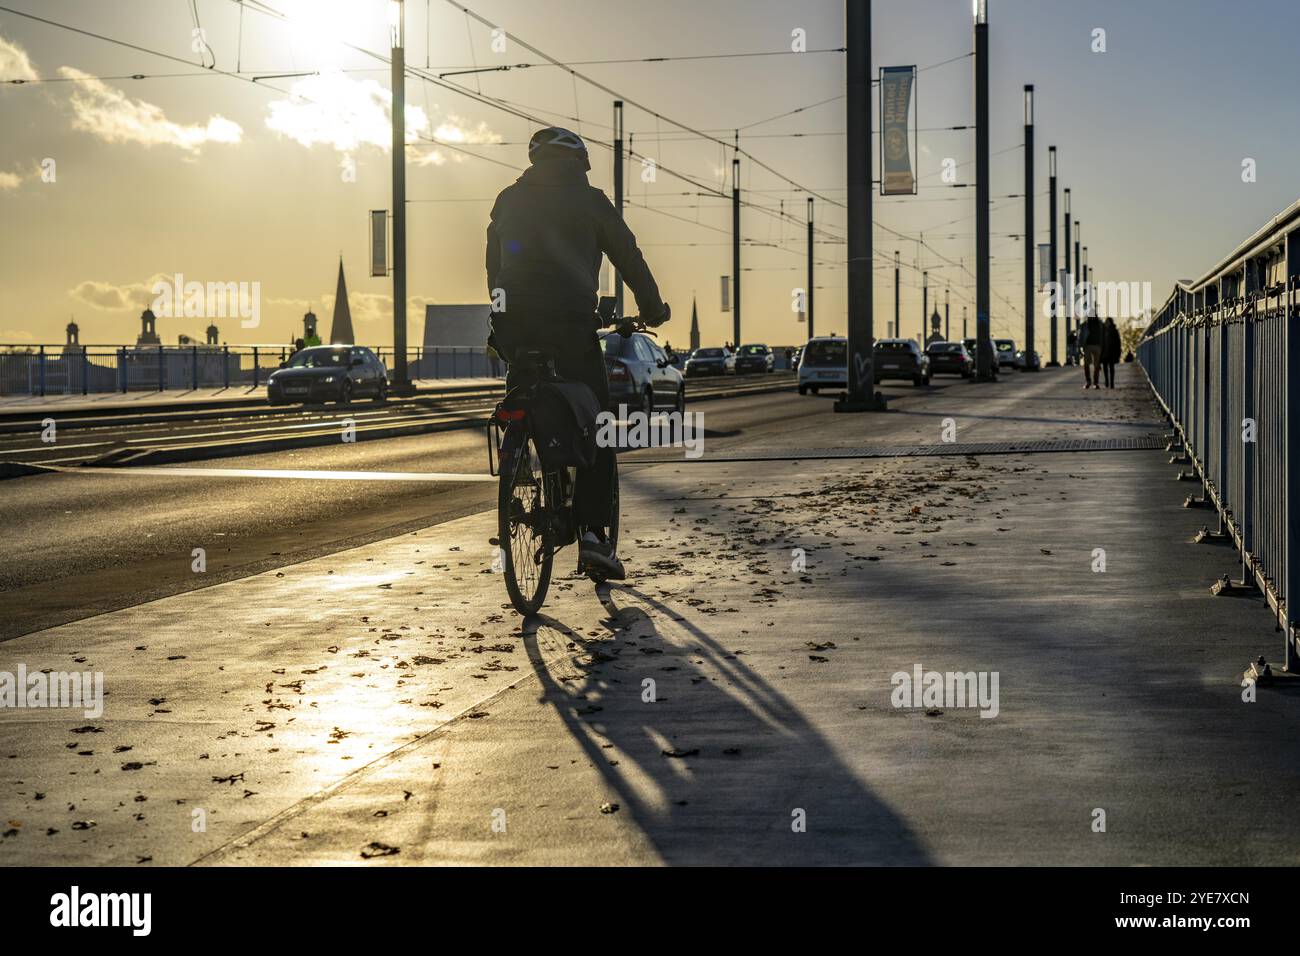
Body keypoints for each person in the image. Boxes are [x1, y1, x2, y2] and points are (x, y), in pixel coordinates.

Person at [486, 126, 669, 581]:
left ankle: (519, 481)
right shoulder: (591, 202)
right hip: (570, 327)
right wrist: (653, 309)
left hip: (516, 328)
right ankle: (591, 534)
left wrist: (501, 320)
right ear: (579, 164)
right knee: (599, 426)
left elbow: (493, 267)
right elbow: (629, 256)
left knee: (523, 393)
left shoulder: (508, 199)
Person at [1080, 312, 1103, 389]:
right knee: (1086, 364)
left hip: (1097, 346)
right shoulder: (1084, 325)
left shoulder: (1099, 324)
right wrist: (1080, 347)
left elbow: (1103, 335)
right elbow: (1081, 336)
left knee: (1096, 365)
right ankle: (1088, 381)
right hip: (1087, 346)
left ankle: (1096, 383)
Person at [1101, 316, 1121, 388]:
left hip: (1112, 352)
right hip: (1104, 352)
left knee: (1111, 368)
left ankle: (1112, 383)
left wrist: (1118, 353)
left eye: (1108, 322)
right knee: (1105, 368)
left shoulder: (1114, 331)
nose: (1107, 323)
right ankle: (1107, 381)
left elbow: (1118, 342)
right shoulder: (1102, 331)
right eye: (1106, 322)